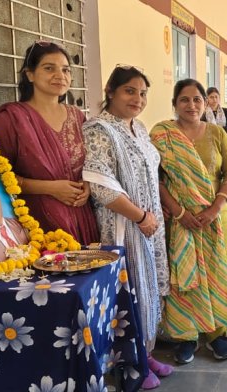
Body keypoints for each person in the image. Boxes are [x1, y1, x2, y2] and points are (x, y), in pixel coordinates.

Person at [82, 65, 172, 388]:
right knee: (129, 292)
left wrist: (152, 220)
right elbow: (102, 187)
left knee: (149, 291)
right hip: (124, 225)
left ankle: (145, 354)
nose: (138, 98)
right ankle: (131, 366)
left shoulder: (140, 128)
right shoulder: (99, 129)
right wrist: (140, 217)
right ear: (111, 92)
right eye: (129, 91)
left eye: (143, 93)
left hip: (150, 225)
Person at [149, 78, 227, 364]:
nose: (192, 105)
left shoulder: (217, 134)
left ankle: (216, 333)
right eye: (184, 99)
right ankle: (186, 335)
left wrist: (214, 209)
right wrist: (179, 212)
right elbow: (156, 179)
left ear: (206, 103)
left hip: (215, 216)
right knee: (183, 275)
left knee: (216, 272)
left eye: (197, 99)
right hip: (178, 217)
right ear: (174, 104)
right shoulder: (162, 135)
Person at [0, 42, 99, 244]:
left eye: (65, 70)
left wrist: (88, 185)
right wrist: (51, 188)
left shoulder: (77, 116)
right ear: (29, 74)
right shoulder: (11, 119)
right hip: (37, 221)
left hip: (82, 216)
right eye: (49, 68)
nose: (60, 75)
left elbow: (92, 163)